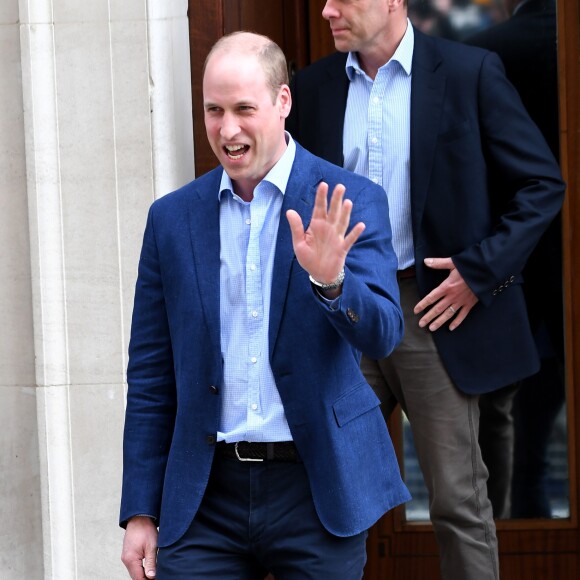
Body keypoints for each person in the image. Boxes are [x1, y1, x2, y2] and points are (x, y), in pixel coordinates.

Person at [285, 0, 565, 578]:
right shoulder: (311, 88)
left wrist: (481, 272)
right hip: (341, 309)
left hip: (431, 311)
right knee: (313, 492)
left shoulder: (470, 72)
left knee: (456, 500)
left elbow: (541, 184)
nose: (328, 10)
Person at [119, 31, 410, 580]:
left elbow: (384, 334)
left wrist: (332, 283)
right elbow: (152, 375)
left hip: (317, 486)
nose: (227, 130)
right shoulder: (171, 219)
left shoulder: (348, 197)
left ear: (283, 103)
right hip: (205, 496)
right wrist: (140, 508)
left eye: (243, 109)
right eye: (213, 110)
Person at [468, 0, 565, 519]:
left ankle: (508, 534)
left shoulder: (488, 53)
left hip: (512, 263)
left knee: (505, 419)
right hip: (537, 263)